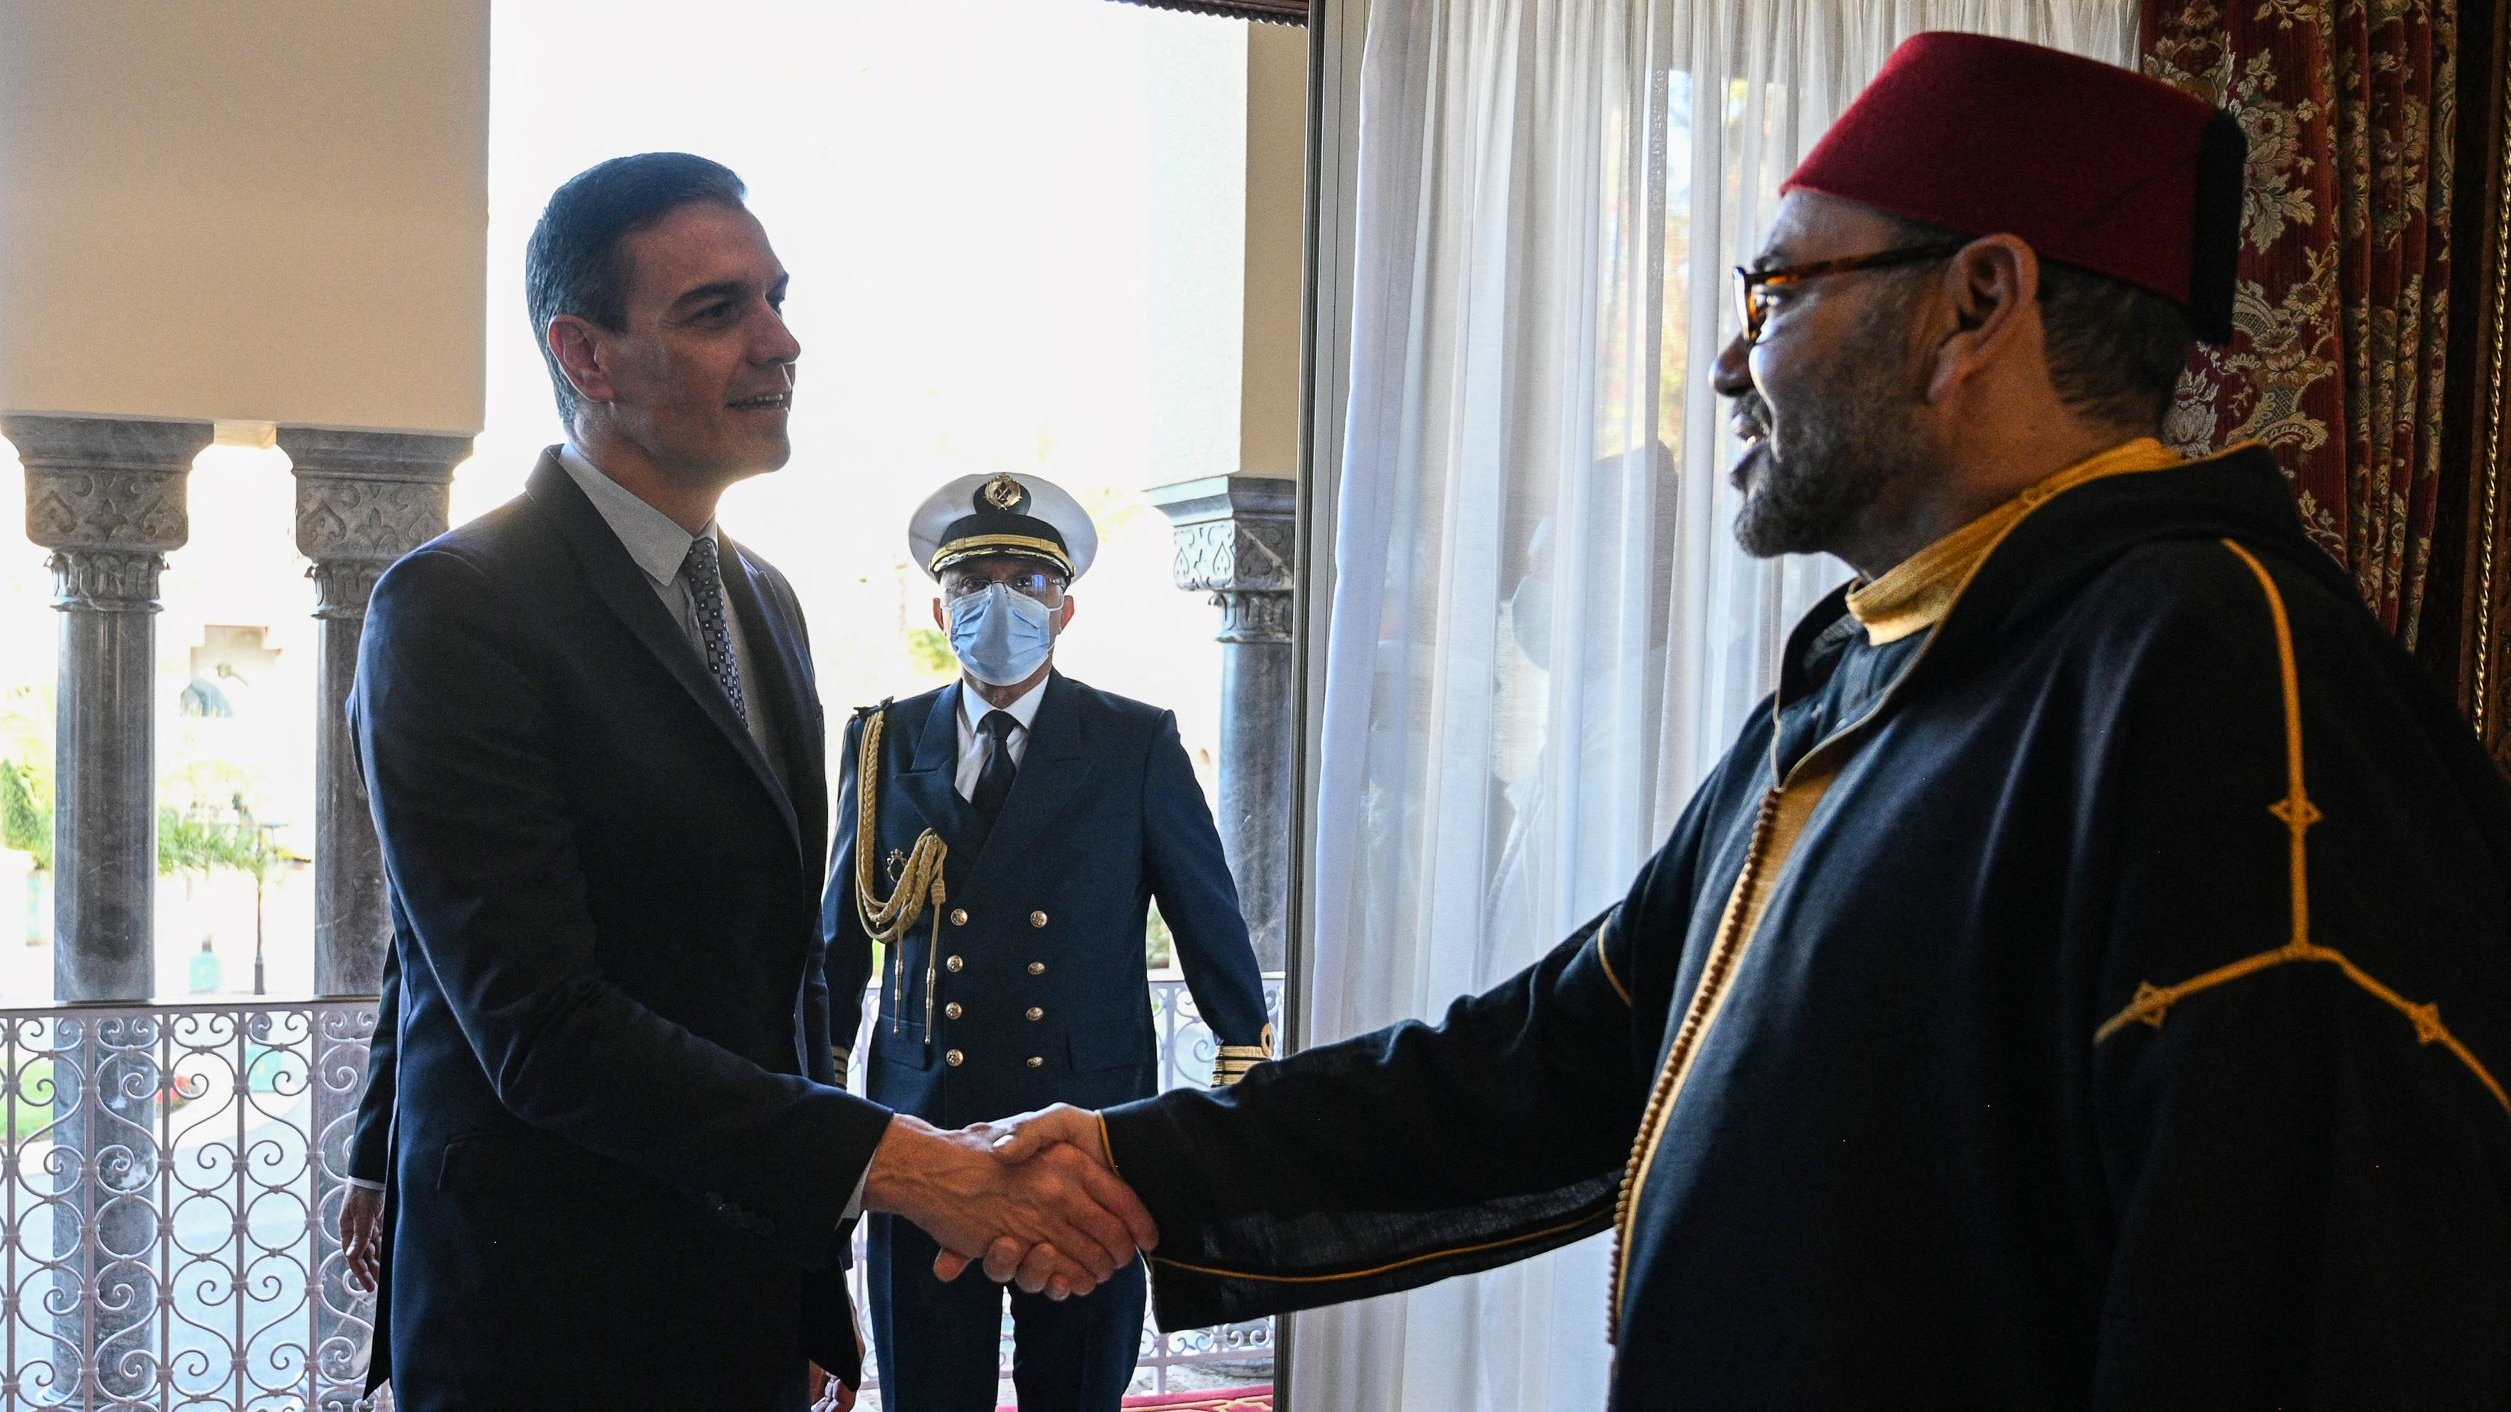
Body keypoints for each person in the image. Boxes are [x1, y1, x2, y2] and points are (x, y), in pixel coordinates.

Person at [971, 34, 2511, 1407]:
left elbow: (2299, 1293)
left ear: (1975, 301)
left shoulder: (2214, 656)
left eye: (1773, 292)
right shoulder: (1866, 660)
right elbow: (1573, 1049)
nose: (1723, 365)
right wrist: (1134, 1157)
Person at [340, 152, 1154, 1412]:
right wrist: (908, 1167)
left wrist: (807, 1278)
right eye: (718, 311)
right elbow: (537, 1021)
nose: (780, 341)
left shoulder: (763, 599)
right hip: (548, 1313)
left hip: (742, 1297)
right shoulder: (458, 607)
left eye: (774, 297)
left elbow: (776, 982)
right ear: (586, 355)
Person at [826, 472, 1273, 1411]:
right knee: (927, 1391)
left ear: (1064, 610)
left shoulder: (1131, 741)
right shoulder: (881, 741)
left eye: (1024, 584)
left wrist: (1240, 1051)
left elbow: (1205, 911)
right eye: (972, 582)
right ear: (941, 607)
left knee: (1074, 1385)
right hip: (921, 1120)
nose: (998, 603)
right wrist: (822, 1072)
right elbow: (841, 929)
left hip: (1083, 1126)